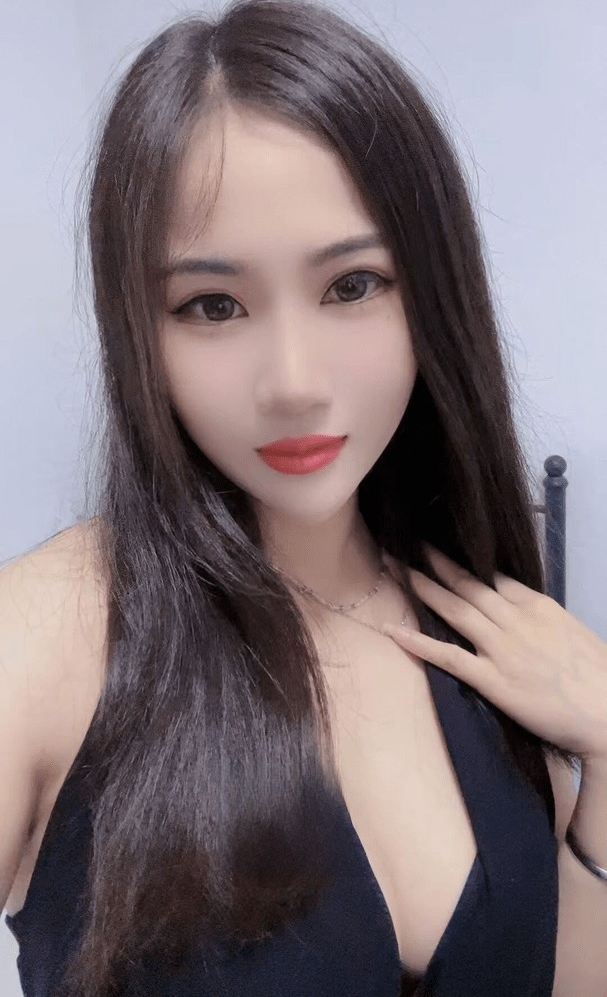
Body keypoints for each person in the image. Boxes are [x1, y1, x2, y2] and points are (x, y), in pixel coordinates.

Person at [0, 0, 579, 994]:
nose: (295, 383)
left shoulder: (485, 621)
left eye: (352, 285)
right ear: (139, 331)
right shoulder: (50, 637)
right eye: (213, 305)